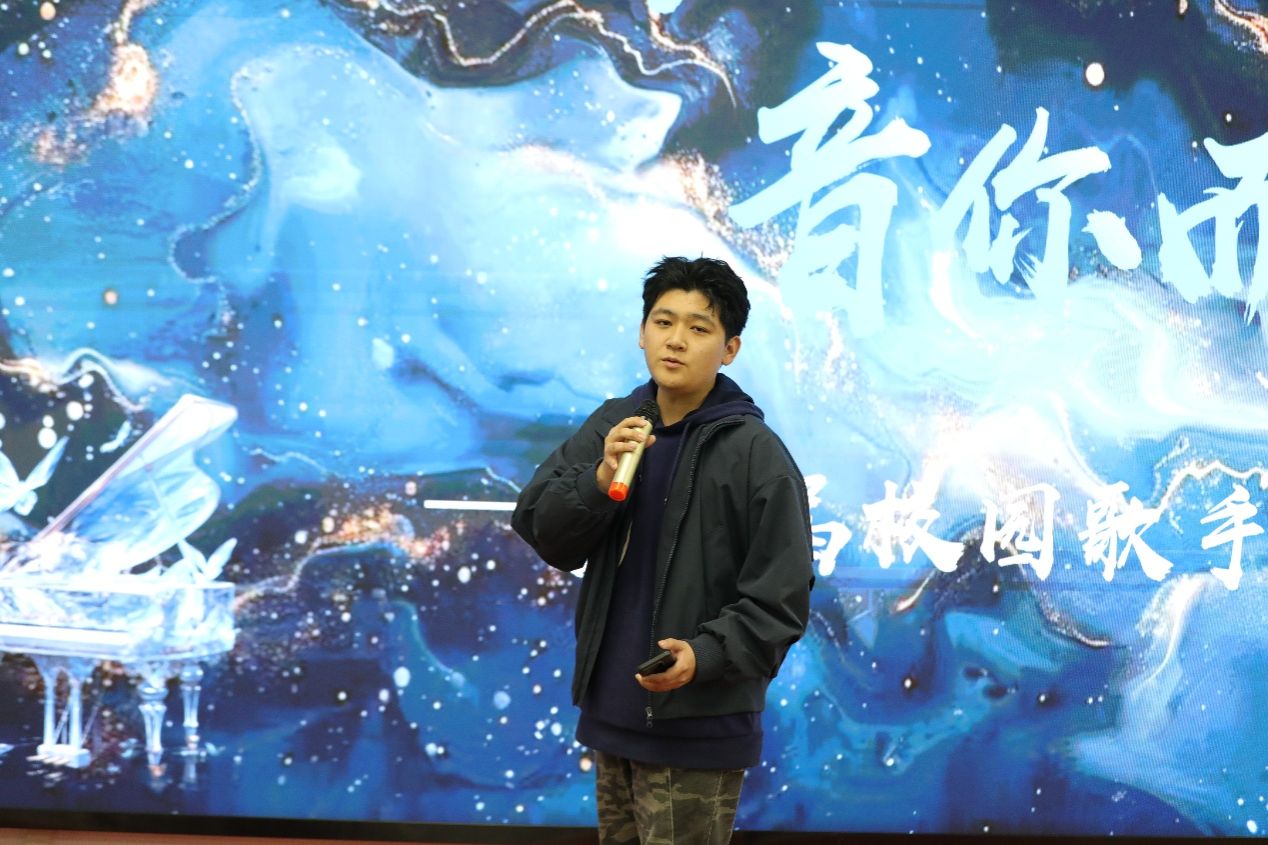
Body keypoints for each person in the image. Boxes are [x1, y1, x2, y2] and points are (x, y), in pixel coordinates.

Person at [512, 256, 814, 844]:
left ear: (730, 349)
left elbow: (781, 599)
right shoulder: (615, 425)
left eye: (699, 328)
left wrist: (706, 654)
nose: (675, 340)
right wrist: (598, 480)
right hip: (610, 716)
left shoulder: (756, 454)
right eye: (663, 322)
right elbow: (541, 526)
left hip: (697, 727)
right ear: (642, 331)